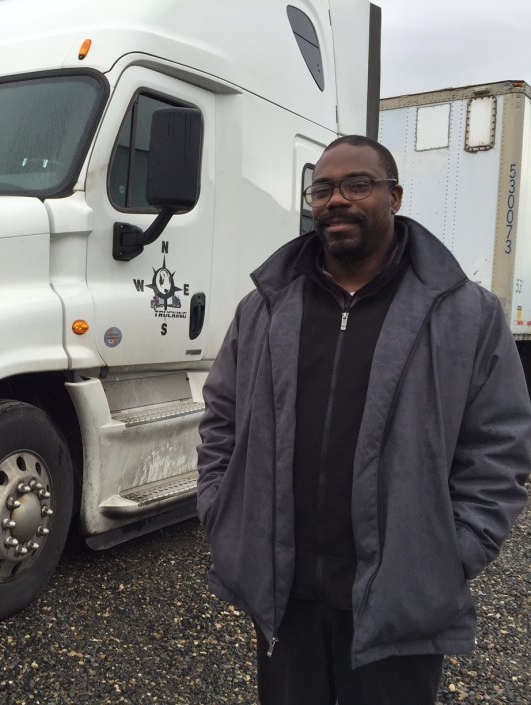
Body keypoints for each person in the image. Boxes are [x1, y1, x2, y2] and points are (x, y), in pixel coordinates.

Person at [196, 134, 531, 705]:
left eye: (358, 185)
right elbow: (222, 416)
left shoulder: (464, 313)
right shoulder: (266, 307)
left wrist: (451, 554)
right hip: (287, 597)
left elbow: (498, 446)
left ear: (394, 196)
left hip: (398, 603)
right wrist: (220, 508)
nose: (336, 201)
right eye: (322, 188)